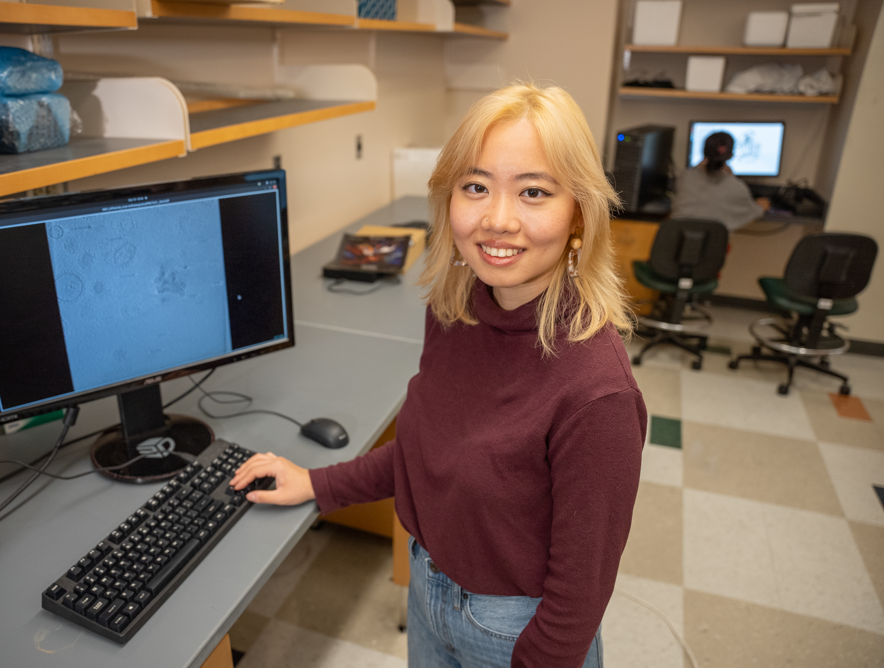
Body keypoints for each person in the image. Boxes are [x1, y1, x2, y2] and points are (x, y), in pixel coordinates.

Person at [230, 84, 647, 668]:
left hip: (515, 628)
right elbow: (428, 452)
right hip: (428, 588)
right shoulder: (458, 309)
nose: (497, 220)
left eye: (533, 192)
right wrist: (319, 485)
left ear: (579, 212)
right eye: (476, 187)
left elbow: (581, 588)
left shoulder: (594, 389)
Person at [670, 131, 770, 232]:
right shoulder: (737, 187)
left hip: (676, 245)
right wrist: (763, 205)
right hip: (713, 247)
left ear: (704, 152)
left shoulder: (684, 178)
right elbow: (755, 212)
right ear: (731, 155)